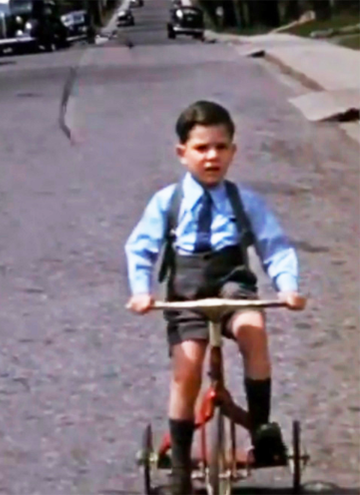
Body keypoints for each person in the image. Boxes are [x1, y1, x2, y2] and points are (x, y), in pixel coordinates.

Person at [124, 100, 307, 495]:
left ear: (233, 152)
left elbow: (275, 247)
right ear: (182, 153)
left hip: (232, 284)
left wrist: (287, 287)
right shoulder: (166, 203)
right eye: (202, 148)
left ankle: (260, 428)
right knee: (187, 367)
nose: (212, 157)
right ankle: (179, 470)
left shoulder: (245, 201)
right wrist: (142, 293)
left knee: (253, 328)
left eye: (221, 148)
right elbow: (141, 249)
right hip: (187, 293)